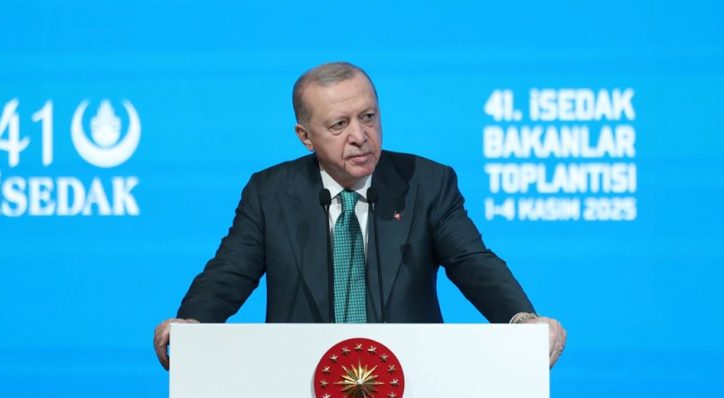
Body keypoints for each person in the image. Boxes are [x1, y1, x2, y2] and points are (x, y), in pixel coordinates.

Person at [154, 62, 566, 370]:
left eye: (368, 117)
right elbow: (231, 271)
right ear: (305, 137)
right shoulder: (271, 192)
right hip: (298, 383)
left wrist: (521, 319)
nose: (360, 136)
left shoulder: (426, 183)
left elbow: (472, 261)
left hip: (411, 383)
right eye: (339, 124)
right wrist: (193, 322)